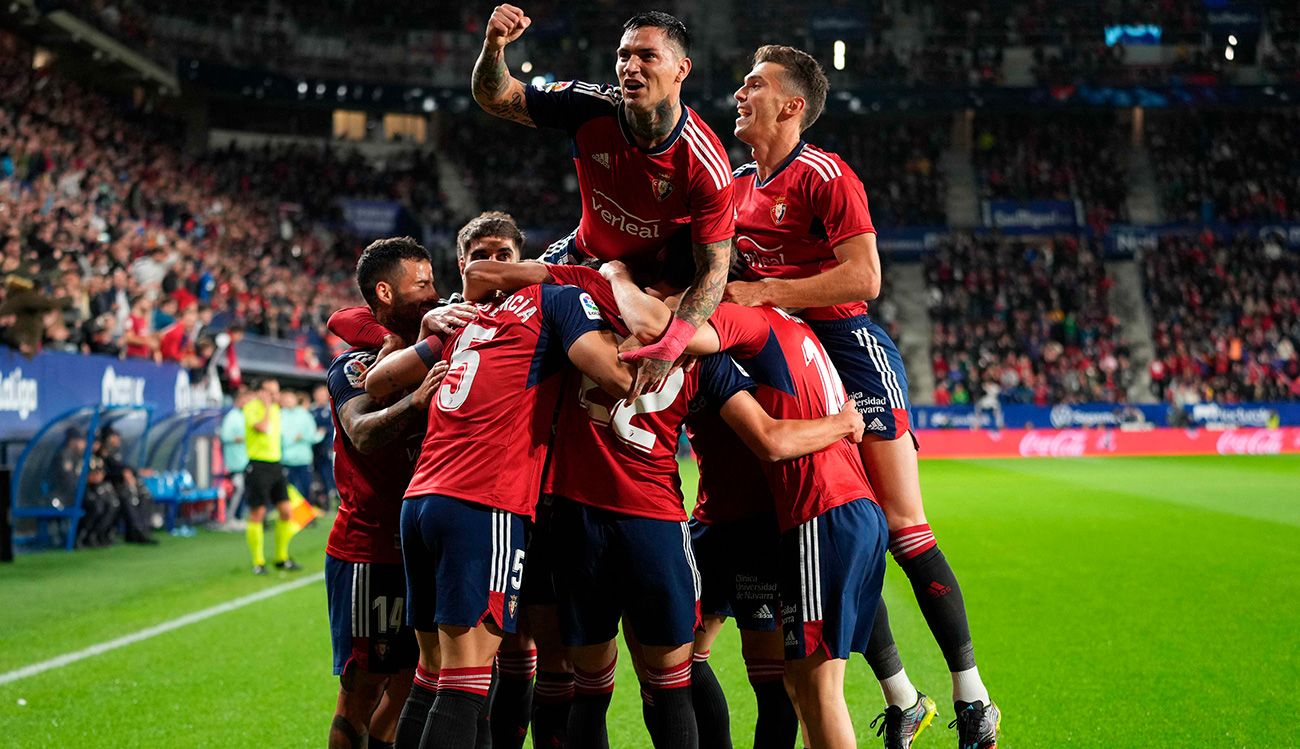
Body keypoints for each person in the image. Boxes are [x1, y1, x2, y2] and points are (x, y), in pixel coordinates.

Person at [460, 258, 866, 749]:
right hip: (654, 523)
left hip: (574, 516)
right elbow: (767, 436)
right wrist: (844, 423)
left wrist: (609, 275)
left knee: (588, 688)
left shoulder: (577, 306)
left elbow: (490, 277)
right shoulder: (705, 352)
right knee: (674, 684)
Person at [722, 45, 999, 747]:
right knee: (843, 527)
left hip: (850, 353)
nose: (739, 91)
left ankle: (974, 698)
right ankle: (902, 696)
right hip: (790, 365)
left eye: (755, 83)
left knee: (903, 528)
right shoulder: (735, 184)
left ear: (791, 106)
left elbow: (866, 276)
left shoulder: (824, 173)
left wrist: (767, 291)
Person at [601, 263, 888, 749]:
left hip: (814, 511)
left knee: (810, 690)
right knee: (789, 682)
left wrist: (618, 279)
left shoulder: (743, 322)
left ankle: (900, 692)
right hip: (767, 516)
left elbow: (663, 329)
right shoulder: (795, 331)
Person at [362, 253, 634, 749]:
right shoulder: (562, 299)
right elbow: (619, 380)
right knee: (465, 685)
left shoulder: (468, 317)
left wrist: (427, 328)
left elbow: (375, 383)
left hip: (421, 499)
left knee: (431, 675)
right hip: (483, 502)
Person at [472, 6, 734, 392]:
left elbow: (713, 271)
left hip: (647, 283)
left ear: (681, 70)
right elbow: (495, 97)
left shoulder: (704, 163)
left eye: (647, 56)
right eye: (624, 55)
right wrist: (493, 46)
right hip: (582, 253)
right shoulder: (587, 106)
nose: (631, 66)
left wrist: (672, 343)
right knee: (481, 313)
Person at [324, 236, 449, 749]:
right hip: (368, 550)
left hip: (423, 546)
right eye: (422, 284)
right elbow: (362, 431)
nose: (434, 294)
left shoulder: (427, 345)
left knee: (410, 691)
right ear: (385, 291)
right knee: (362, 694)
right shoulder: (352, 367)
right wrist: (416, 402)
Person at [242, 377, 301, 575]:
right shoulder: (252, 407)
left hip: (275, 464)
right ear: (259, 392)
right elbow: (262, 428)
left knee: (286, 511)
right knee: (258, 513)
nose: (274, 395)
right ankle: (258, 562)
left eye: (276, 391)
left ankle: (281, 558)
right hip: (258, 465)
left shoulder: (277, 409)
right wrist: (266, 407)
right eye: (269, 391)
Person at [281, 389, 325, 506]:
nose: (289, 401)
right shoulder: (279, 415)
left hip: (303, 459)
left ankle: (307, 516)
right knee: (288, 491)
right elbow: (279, 437)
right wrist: (293, 439)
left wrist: (303, 436)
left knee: (306, 488)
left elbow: (312, 435)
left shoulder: (305, 415)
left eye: (291, 399)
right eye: (286, 399)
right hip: (286, 459)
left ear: (295, 400)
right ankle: (291, 517)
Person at [221, 388, 252, 523]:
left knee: (243, 490)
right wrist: (239, 439)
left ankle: (238, 517)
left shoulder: (243, 415)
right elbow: (225, 436)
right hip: (235, 462)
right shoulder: (232, 416)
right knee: (237, 490)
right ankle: (230, 518)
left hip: (244, 460)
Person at [310, 384, 338, 509]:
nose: (320, 397)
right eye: (318, 394)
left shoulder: (332, 409)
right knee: (317, 475)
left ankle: (333, 499)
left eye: (323, 394)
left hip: (329, 448)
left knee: (330, 474)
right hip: (314, 449)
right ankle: (322, 501)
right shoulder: (311, 410)